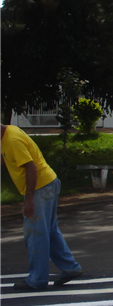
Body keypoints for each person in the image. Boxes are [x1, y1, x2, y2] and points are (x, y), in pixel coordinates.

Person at [0, 122, 83, 290]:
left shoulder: (13, 139)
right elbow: (5, 157)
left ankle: (37, 279)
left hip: (40, 188)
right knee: (49, 231)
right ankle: (70, 267)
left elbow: (31, 167)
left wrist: (28, 199)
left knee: (35, 233)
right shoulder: (7, 135)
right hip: (47, 184)